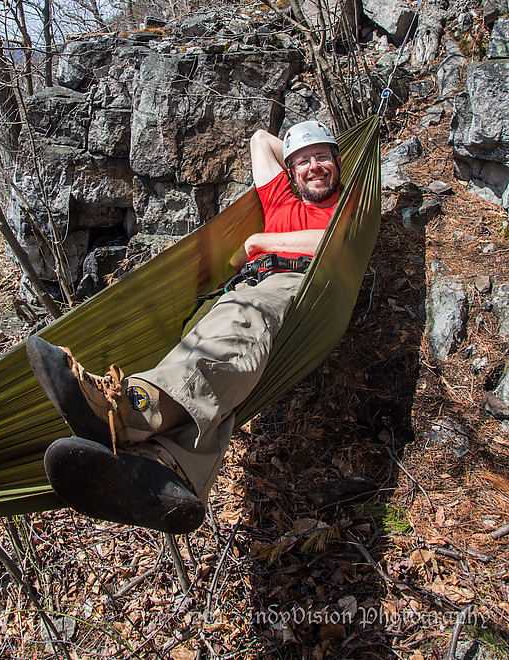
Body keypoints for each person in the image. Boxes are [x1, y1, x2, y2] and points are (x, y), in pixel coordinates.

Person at [26, 120, 342, 533]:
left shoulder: (347, 201)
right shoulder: (282, 199)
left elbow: (338, 240)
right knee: (212, 358)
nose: (314, 166)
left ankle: (130, 409)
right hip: (243, 289)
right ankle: (169, 470)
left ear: (339, 162)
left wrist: (260, 243)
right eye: (303, 162)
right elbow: (260, 140)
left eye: (322, 158)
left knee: (234, 328)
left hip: (294, 283)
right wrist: (301, 155)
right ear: (290, 172)